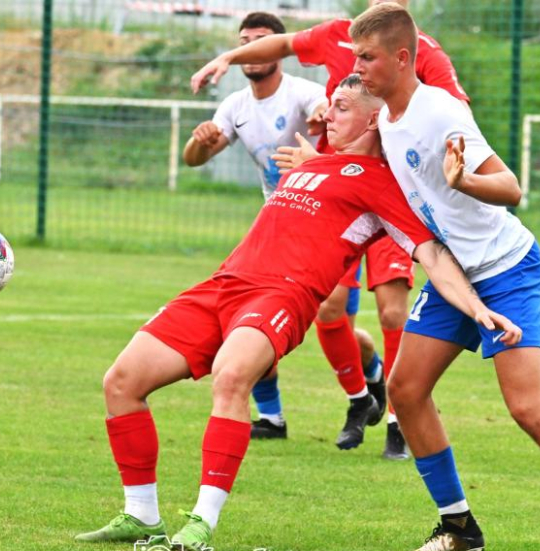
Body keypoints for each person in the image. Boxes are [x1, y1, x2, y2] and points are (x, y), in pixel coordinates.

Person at [74, 75, 522, 551]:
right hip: (224, 282)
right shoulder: (315, 161)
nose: (327, 113)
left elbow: (432, 255)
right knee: (120, 381)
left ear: (374, 118)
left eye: (342, 106)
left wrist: (477, 308)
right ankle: (141, 513)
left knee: (230, 378)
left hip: (282, 296)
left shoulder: (384, 184)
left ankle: (201, 523)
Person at [348, 4, 540, 551]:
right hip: (453, 274)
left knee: (528, 408)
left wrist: (465, 181)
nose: (357, 69)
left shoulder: (440, 111)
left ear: (401, 58)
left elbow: (510, 187)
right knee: (405, 392)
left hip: (506, 269)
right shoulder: (387, 118)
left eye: (367, 57)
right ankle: (458, 527)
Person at [191, 0, 470, 458]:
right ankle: (361, 397)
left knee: (393, 313)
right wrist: (225, 58)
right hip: (337, 192)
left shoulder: (427, 54)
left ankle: (398, 421)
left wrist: (426, 161)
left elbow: (455, 115)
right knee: (328, 310)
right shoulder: (337, 34)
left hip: (387, 190)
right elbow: (282, 42)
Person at [183, 12, 327, 440]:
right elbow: (195, 159)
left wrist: (323, 114)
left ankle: (366, 386)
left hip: (324, 222)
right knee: (247, 312)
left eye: (259, 41)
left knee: (336, 319)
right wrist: (200, 140)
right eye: (242, 41)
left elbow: (323, 110)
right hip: (277, 226)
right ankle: (272, 417)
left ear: (278, 48)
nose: (249, 50)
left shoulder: (303, 92)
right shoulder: (235, 105)